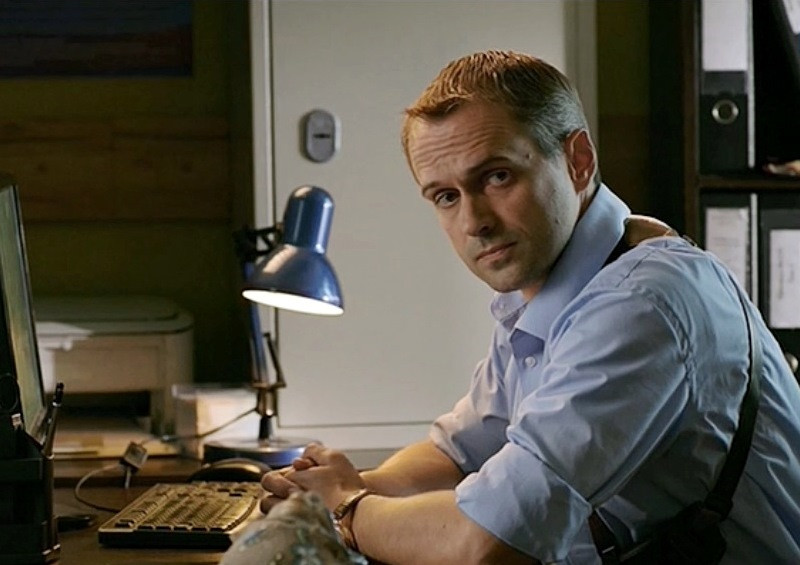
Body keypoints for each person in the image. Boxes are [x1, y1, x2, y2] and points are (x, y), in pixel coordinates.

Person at [260, 50, 800, 564]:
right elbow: (460, 453)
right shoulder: (558, 281)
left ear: (578, 161)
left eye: (497, 177)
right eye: (446, 196)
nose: (474, 222)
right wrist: (343, 486)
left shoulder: (640, 304)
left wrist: (346, 509)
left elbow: (491, 544)